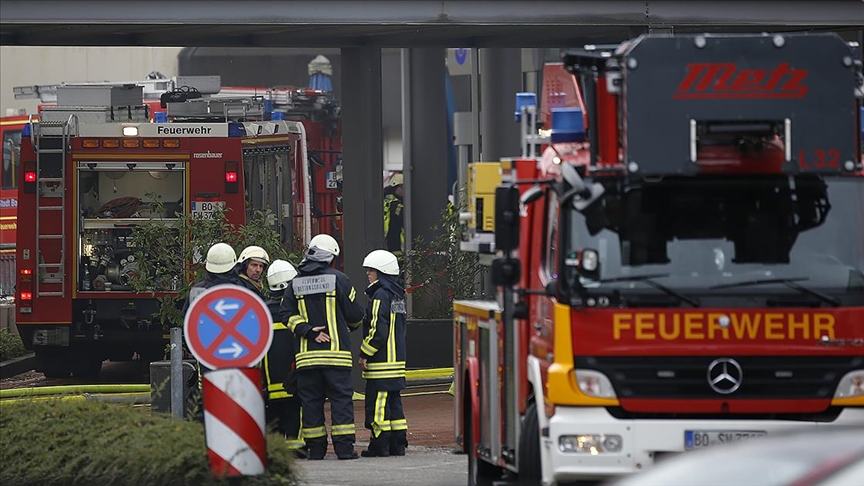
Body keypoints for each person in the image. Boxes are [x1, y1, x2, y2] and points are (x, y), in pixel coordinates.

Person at [279, 233, 365, 460]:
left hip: (307, 359)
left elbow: (285, 315)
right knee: (340, 401)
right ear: (331, 257)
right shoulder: (340, 279)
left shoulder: (294, 283)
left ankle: (316, 450)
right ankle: (344, 450)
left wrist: (307, 330)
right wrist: (349, 326)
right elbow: (356, 315)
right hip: (336, 358)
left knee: (310, 403)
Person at [358, 249, 409, 457]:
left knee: (378, 405)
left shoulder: (379, 295)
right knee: (394, 405)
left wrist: (364, 353)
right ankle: (398, 444)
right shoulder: (397, 296)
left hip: (381, 363)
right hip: (396, 362)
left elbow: (377, 330)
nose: (368, 273)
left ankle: (379, 445)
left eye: (371, 270)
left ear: (382, 272)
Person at [262, 259, 305, 456]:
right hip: (294, 382)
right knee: (295, 421)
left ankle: (275, 452)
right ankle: (296, 450)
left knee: (272, 423)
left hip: (268, 386)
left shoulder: (260, 313)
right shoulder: (296, 312)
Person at [383, 173, 405, 256]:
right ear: (396, 187)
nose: (404, 190)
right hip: (394, 243)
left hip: (387, 242)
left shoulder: (386, 198)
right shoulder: (396, 204)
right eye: (402, 187)